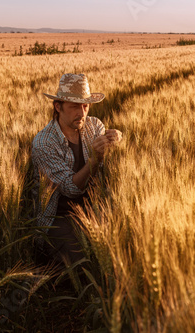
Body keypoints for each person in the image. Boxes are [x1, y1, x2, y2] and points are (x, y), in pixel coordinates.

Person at [31, 73, 122, 266]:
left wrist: (117, 139)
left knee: (121, 247)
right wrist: (94, 161)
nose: (82, 113)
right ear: (58, 107)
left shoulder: (94, 125)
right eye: (74, 106)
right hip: (59, 215)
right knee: (81, 262)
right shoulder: (44, 143)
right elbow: (71, 189)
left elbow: (111, 153)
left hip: (94, 207)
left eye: (85, 106)